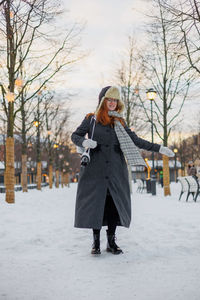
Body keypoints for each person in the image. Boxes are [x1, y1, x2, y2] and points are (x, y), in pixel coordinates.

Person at [71, 86, 174, 255]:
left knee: (113, 205)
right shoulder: (91, 119)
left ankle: (111, 241)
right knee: (96, 204)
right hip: (95, 170)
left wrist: (159, 148)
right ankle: (95, 242)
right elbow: (75, 136)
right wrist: (84, 143)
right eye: (109, 100)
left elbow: (136, 141)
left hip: (116, 170)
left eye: (115, 100)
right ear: (102, 101)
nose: (112, 103)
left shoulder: (119, 122)